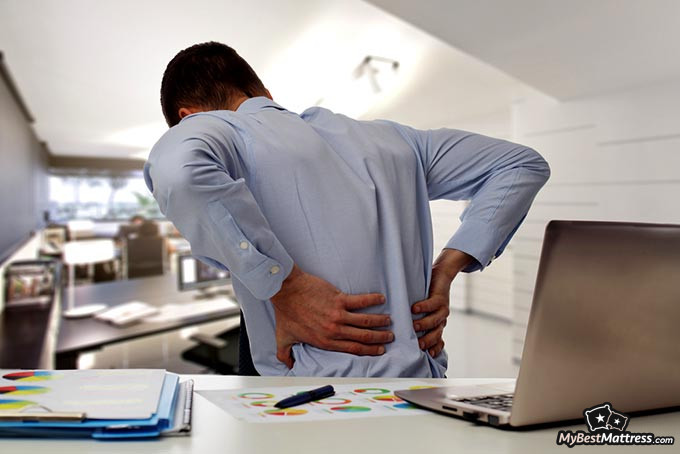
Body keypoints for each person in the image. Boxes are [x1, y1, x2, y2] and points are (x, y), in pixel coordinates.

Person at [143, 42, 550, 377]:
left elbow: (179, 174)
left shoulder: (217, 129)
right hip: (423, 388)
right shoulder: (394, 140)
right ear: (265, 93)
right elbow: (521, 164)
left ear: (187, 117)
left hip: (315, 402)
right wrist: (447, 268)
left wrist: (285, 286)